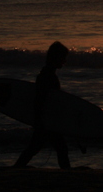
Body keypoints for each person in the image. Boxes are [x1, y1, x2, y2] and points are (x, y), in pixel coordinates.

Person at [14, 41, 71, 169]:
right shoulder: (47, 76)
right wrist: (40, 120)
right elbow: (41, 99)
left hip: (46, 119)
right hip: (46, 120)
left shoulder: (47, 74)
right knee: (60, 148)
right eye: (63, 58)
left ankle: (17, 167)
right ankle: (67, 172)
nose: (64, 61)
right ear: (56, 58)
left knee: (35, 148)